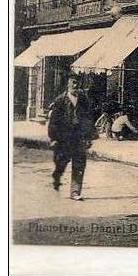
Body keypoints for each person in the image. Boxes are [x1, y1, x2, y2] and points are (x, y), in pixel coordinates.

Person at [47, 73, 95, 201]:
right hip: (64, 137)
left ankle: (75, 191)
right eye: (73, 82)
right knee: (62, 162)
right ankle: (56, 179)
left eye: (77, 83)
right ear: (67, 84)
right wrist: (53, 138)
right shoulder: (60, 100)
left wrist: (89, 136)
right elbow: (54, 121)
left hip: (79, 136)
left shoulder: (84, 100)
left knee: (79, 163)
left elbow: (88, 118)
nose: (75, 85)